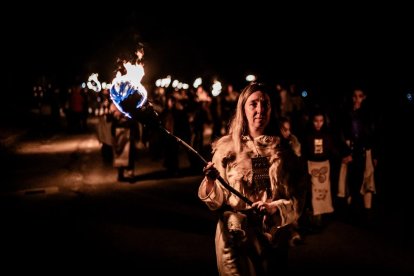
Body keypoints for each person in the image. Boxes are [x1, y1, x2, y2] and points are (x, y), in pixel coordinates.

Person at [198, 82, 302, 275]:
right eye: (253, 103)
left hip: (271, 240)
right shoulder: (226, 149)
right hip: (234, 238)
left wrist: (274, 208)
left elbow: (298, 201)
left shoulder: (285, 151)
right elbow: (216, 201)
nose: (260, 109)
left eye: (265, 104)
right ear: (243, 108)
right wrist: (211, 182)